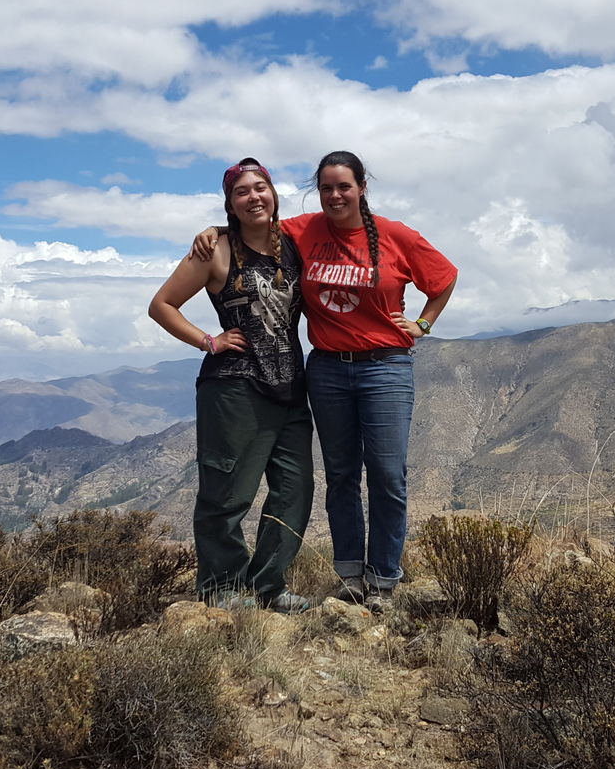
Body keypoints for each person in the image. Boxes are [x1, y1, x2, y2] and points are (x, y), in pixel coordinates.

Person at [195, 151, 456, 609]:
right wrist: (215, 230)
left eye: (344, 186)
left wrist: (423, 323)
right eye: (326, 188)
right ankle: (351, 575)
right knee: (339, 476)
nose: (335, 195)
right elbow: (254, 223)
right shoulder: (304, 229)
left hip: (386, 367)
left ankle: (384, 580)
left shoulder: (395, 235)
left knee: (387, 476)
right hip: (328, 368)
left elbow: (444, 277)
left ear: (361, 188)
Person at [149, 158, 313, 612]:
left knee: (296, 490)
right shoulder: (215, 250)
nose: (254, 197)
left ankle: (268, 587)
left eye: (261, 187)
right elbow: (162, 304)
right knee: (227, 491)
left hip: (291, 386)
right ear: (230, 203)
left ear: (274, 194)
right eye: (242, 191)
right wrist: (209, 340)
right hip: (234, 387)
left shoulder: (293, 243)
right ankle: (220, 589)